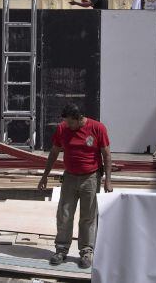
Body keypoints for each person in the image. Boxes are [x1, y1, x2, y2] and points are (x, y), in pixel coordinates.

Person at [38, 103, 112, 269]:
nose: (68, 125)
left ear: (79, 119)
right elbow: (54, 152)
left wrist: (108, 180)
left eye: (70, 122)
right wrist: (45, 176)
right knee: (64, 214)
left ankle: (86, 251)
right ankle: (61, 249)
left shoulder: (97, 128)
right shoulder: (62, 129)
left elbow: (106, 155)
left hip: (91, 178)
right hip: (70, 177)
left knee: (88, 217)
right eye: (66, 121)